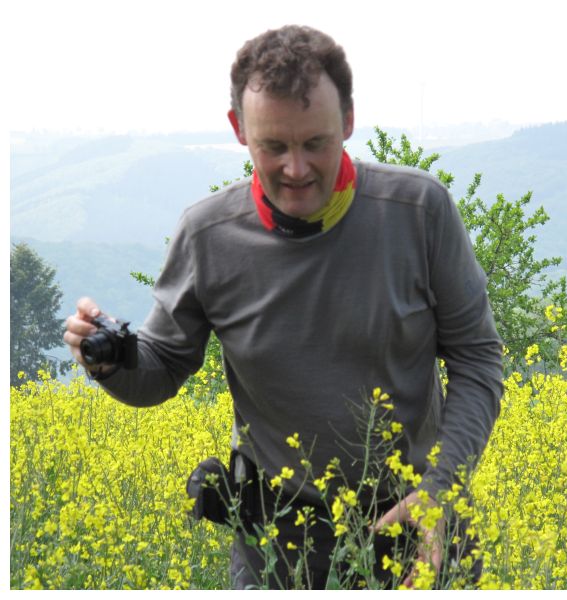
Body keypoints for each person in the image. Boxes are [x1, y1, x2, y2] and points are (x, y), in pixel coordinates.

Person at [63, 24, 504, 589]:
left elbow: (478, 360)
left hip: (418, 530)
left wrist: (440, 488)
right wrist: (110, 360)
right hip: (278, 544)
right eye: (274, 146)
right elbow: (160, 370)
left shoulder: (418, 211)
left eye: (315, 142)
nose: (296, 170)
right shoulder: (208, 235)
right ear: (239, 131)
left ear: (347, 121)